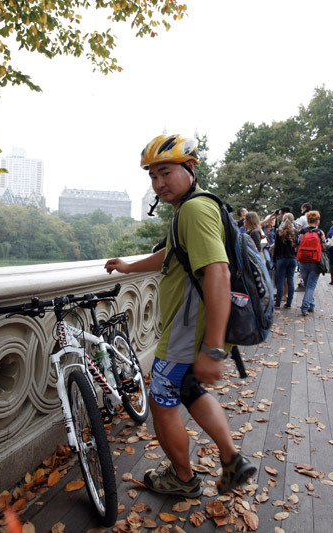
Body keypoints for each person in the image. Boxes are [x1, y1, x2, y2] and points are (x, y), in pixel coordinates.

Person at [104, 134, 256, 498]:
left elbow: (217, 272)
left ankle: (182, 479)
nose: (158, 183)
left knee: (160, 401)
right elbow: (171, 255)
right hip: (194, 328)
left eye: (166, 172)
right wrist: (128, 268)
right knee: (189, 389)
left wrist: (214, 349)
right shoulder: (191, 209)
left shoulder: (194, 210)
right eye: (153, 176)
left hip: (189, 331)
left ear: (190, 168)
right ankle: (232, 461)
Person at [297, 210, 324, 316]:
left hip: (303, 260)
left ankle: (311, 306)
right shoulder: (320, 232)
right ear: (317, 221)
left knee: (307, 283)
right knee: (311, 286)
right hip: (315, 260)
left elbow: (298, 243)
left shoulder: (302, 231)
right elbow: (324, 245)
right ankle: (305, 307)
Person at [273, 212, 297, 308]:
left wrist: (274, 260)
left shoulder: (279, 232)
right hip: (292, 258)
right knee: (290, 279)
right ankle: (289, 303)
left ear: (283, 219)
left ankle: (278, 302)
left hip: (281, 259)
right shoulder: (295, 231)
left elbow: (276, 248)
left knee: (280, 280)